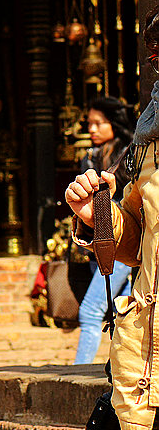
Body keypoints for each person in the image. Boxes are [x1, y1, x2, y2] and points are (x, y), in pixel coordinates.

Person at [65, 4, 159, 430]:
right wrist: (94, 214)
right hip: (150, 348)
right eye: (156, 49)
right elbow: (133, 241)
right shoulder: (148, 140)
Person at [72, 96, 135, 364]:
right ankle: (118, 367)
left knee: (90, 311)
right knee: (123, 312)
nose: (92, 130)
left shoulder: (127, 154)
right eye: (89, 124)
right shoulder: (93, 155)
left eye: (99, 123)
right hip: (95, 241)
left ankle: (79, 370)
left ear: (115, 124)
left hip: (120, 238)